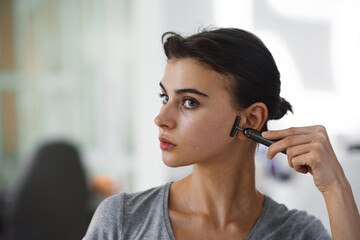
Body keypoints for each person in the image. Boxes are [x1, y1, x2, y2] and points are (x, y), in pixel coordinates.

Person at [83, 28, 360, 239]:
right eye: (164, 97)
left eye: (189, 102)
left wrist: (337, 188)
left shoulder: (298, 233)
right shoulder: (122, 220)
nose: (161, 119)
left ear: (251, 119)